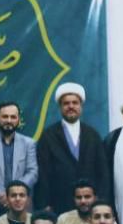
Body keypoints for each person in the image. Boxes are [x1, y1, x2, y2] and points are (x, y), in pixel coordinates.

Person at [37, 83, 110, 216]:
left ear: (81, 106)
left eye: (75, 103)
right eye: (66, 103)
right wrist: (44, 204)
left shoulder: (92, 135)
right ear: (60, 107)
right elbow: (43, 173)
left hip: (89, 205)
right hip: (59, 203)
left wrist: (101, 200)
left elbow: (103, 172)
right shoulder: (48, 136)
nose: (71, 106)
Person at [0, 101, 40, 222]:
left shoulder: (29, 143)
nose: (9, 120)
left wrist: (15, 194)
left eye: (13, 117)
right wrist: (1, 195)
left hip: (21, 206)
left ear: (18, 119)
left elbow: (33, 172)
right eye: (5, 116)